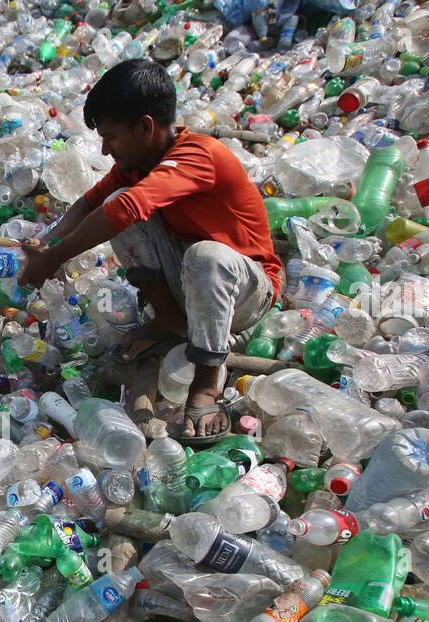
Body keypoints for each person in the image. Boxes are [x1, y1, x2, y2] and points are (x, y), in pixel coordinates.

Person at [17, 58, 283, 441]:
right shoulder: (138, 162)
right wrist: (48, 242)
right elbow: (90, 204)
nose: (106, 150)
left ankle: (206, 382)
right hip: (192, 285)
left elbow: (123, 211)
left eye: (111, 137)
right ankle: (172, 320)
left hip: (245, 292)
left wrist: (55, 259)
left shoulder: (199, 156)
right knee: (120, 203)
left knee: (199, 252)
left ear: (145, 127)